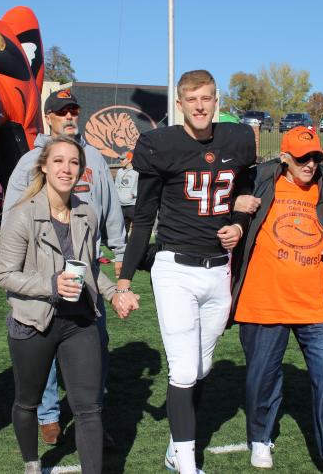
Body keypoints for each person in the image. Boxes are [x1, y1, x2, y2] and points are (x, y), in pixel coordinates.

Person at [117, 69, 256, 474]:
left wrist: (238, 224)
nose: (199, 106)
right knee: (182, 368)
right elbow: (143, 218)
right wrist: (124, 280)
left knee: (201, 368)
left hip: (218, 270)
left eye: (206, 98)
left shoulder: (237, 140)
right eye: (192, 99)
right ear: (179, 104)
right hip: (175, 268)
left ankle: (175, 448)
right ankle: (187, 463)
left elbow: (245, 192)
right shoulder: (160, 145)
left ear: (216, 101)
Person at [231, 126, 323, 474]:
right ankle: (260, 438)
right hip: (264, 301)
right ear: (285, 157)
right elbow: (220, 207)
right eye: (301, 158)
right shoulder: (258, 181)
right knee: (263, 378)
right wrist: (235, 205)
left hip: (316, 303)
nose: (310, 164)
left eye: (315, 157)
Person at [0, 136, 138, 474]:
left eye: (74, 162)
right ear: (44, 167)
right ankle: (32, 464)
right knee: (27, 402)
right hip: (34, 322)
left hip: (79, 322)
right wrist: (50, 284)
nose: (66, 168)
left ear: (81, 170)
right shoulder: (22, 214)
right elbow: (5, 275)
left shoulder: (86, 213)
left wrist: (114, 294)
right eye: (58, 161)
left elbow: (89, 270)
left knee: (89, 409)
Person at [115, 151, 138, 238]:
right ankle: (124, 246)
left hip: (132, 205)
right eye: (120, 159)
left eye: (123, 159)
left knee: (137, 228)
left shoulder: (136, 172)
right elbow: (116, 186)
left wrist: (134, 195)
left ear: (129, 159)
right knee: (123, 230)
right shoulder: (119, 171)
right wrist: (117, 197)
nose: (121, 161)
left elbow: (141, 187)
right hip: (121, 205)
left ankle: (135, 244)